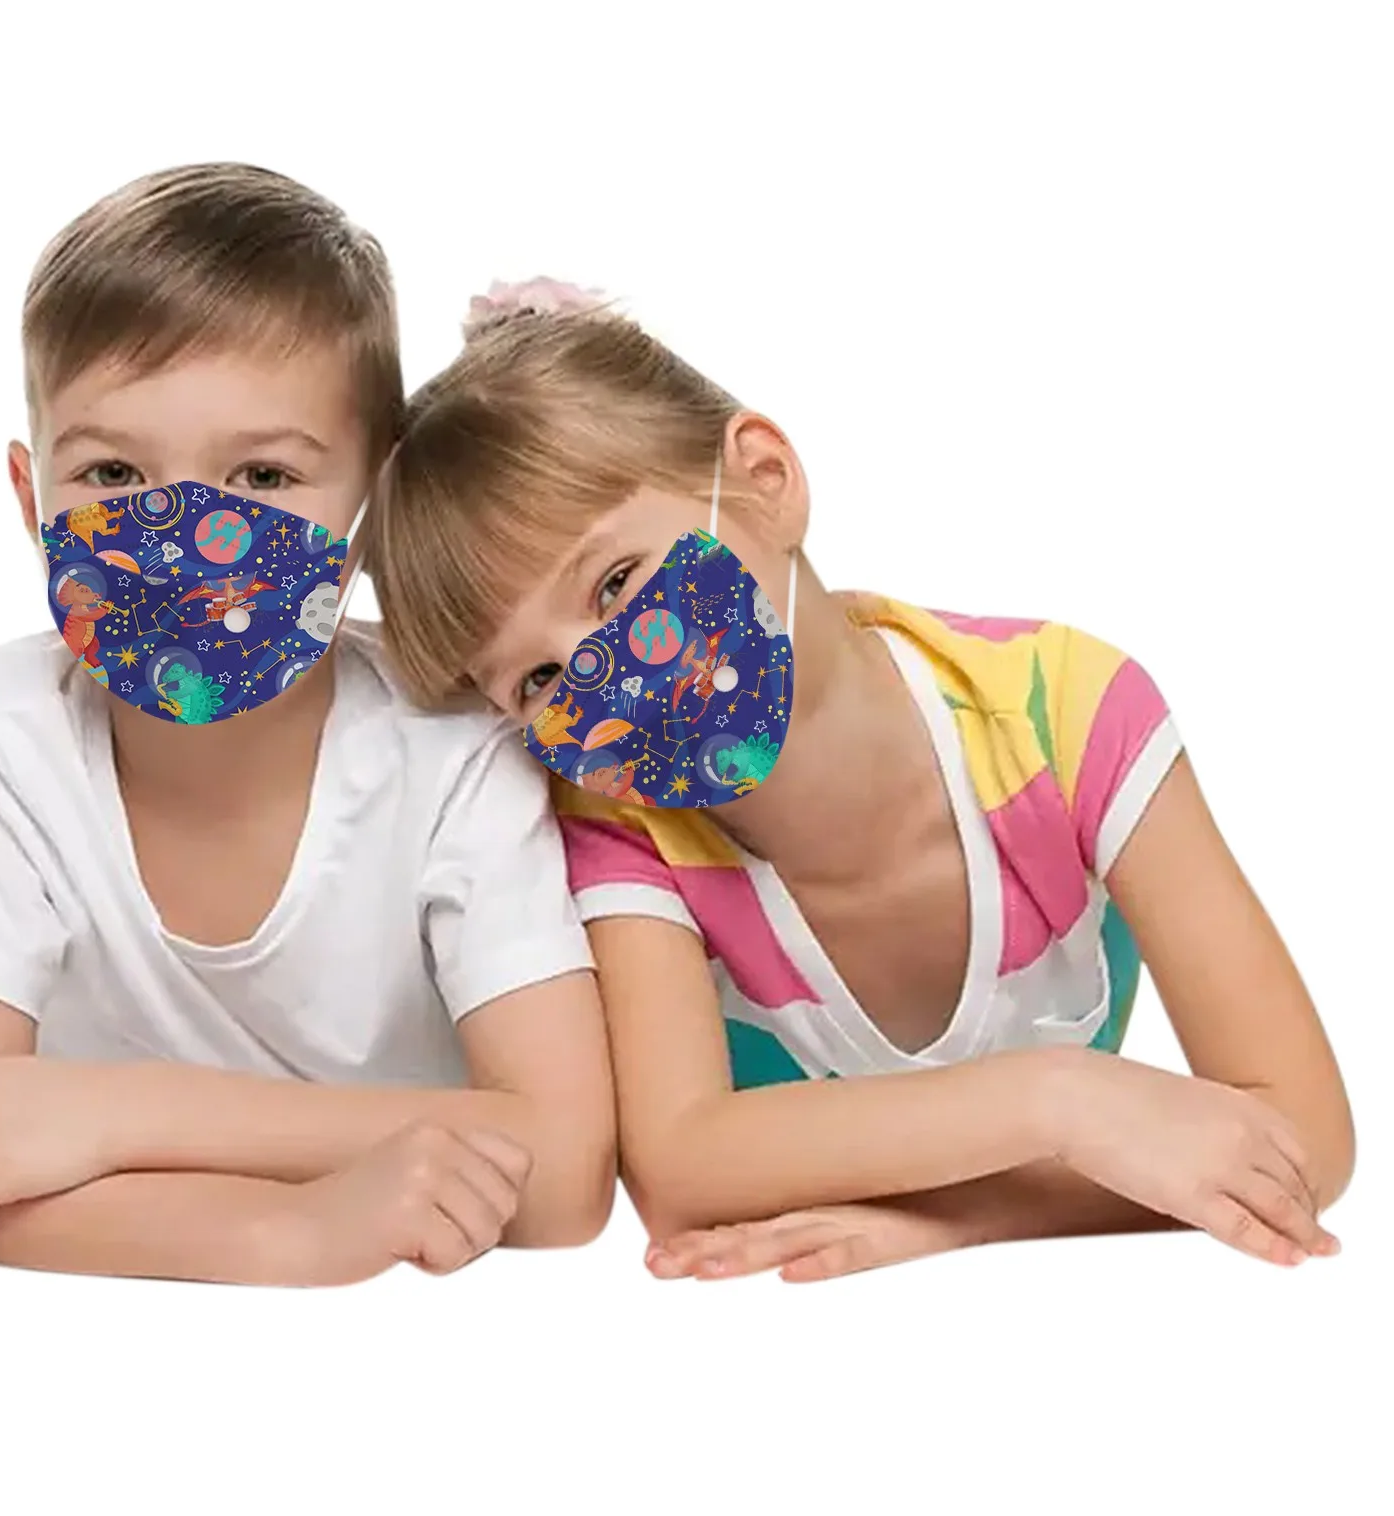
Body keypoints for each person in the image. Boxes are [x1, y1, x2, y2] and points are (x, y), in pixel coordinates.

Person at [362, 278, 1355, 1282]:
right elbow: (680, 1166)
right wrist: (1056, 1101)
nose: (602, 682)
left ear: (765, 479)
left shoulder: (1065, 713)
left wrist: (962, 1220)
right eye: (538, 680)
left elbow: (1304, 1135)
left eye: (616, 583)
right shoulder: (622, 829)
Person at [0, 176, 615, 1286]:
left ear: (376, 503)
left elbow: (566, 1172)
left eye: (264, 475)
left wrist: (116, 1116)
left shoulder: (454, 747)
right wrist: (294, 1231)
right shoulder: (5, 734)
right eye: (113, 473)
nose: (190, 534)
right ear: (31, 498)